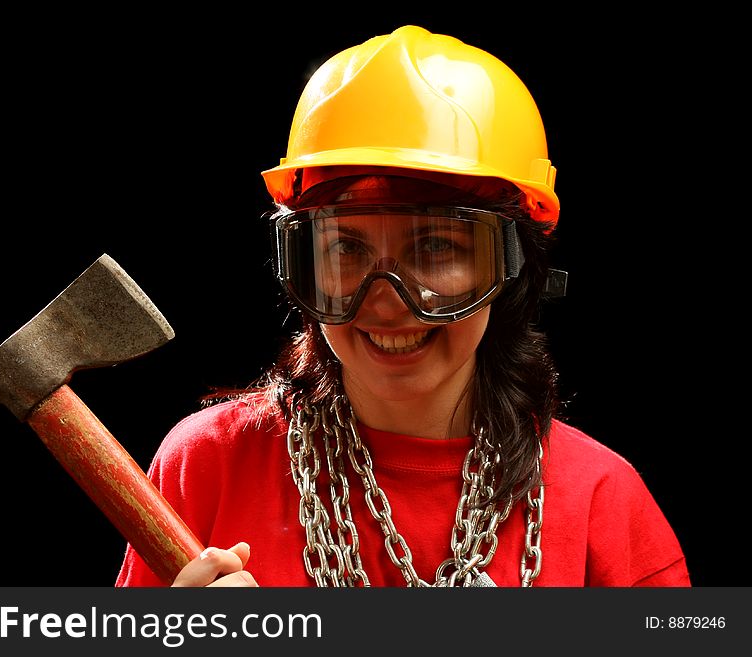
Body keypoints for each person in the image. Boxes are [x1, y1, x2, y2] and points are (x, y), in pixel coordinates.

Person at [116, 25, 689, 588]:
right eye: (346, 247)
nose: (386, 299)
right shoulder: (208, 464)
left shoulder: (603, 502)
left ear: (511, 272)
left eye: (436, 247)